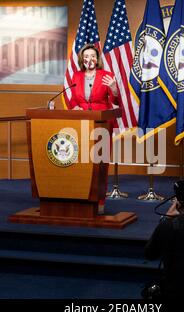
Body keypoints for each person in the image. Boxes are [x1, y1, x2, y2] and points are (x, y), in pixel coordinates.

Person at [67, 43, 119, 213]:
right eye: (86, 56)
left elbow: (116, 102)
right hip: (81, 123)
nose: (90, 59)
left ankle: (100, 201)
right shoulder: (76, 76)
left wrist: (114, 88)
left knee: (100, 163)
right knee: (81, 162)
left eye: (93, 56)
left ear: (97, 59)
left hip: (101, 124)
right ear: (82, 59)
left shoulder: (107, 75)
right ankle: (81, 197)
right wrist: (74, 107)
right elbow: (73, 99)